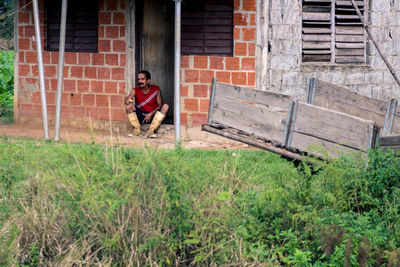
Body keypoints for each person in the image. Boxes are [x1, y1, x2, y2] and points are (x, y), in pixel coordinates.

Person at [124, 70, 169, 138]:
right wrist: (129, 101)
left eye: (142, 79)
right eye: (138, 79)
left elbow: (160, 105)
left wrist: (151, 113)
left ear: (148, 80)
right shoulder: (135, 90)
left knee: (166, 106)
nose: (140, 81)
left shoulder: (156, 89)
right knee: (128, 106)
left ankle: (151, 131)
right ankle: (137, 131)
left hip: (153, 115)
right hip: (141, 115)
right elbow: (128, 99)